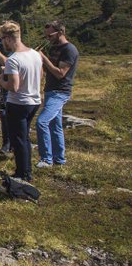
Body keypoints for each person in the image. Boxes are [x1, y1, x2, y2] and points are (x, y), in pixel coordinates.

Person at [0, 21, 42, 181]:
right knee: (24, 137)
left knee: (18, 139)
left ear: (9, 38)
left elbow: (13, 86)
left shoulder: (13, 59)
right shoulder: (35, 54)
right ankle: (26, 169)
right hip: (34, 100)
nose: (2, 43)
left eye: (3, 39)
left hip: (18, 103)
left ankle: (23, 173)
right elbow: (40, 75)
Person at [35, 20, 79, 168]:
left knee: (42, 122)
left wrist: (43, 58)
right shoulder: (54, 48)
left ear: (61, 32)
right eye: (46, 36)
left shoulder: (69, 50)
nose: (48, 38)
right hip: (50, 90)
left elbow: (60, 73)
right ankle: (59, 160)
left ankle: (46, 159)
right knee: (55, 126)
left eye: (50, 35)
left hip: (60, 92)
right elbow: (50, 69)